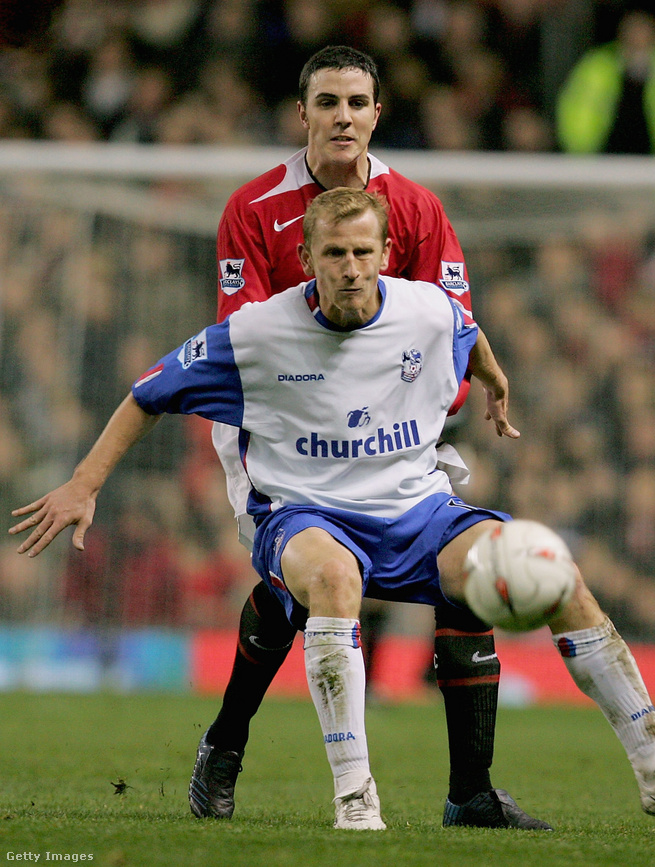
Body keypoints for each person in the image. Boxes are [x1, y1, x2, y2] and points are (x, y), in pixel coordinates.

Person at [10, 189, 655, 832]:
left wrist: (493, 378)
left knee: (555, 572)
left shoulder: (424, 307)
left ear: (388, 251)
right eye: (334, 252)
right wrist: (83, 482)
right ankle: (356, 796)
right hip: (303, 516)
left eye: (365, 250)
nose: (352, 266)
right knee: (334, 580)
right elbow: (148, 392)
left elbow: (465, 328)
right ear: (307, 256)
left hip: (415, 510)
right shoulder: (256, 334)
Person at [204, 44, 535, 829]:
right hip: (284, 438)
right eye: (328, 102)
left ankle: (472, 792)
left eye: (357, 101)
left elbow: (452, 335)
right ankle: (225, 745)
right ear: (304, 115)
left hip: (388, 435)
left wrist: (421, 400)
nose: (343, 116)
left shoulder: (415, 207)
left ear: (376, 112)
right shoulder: (252, 211)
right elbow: (237, 342)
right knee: (312, 581)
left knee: (466, 570)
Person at [556, 10, 655, 157]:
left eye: (644, 37)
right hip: (603, 164)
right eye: (632, 37)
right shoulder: (597, 69)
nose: (638, 43)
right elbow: (576, 121)